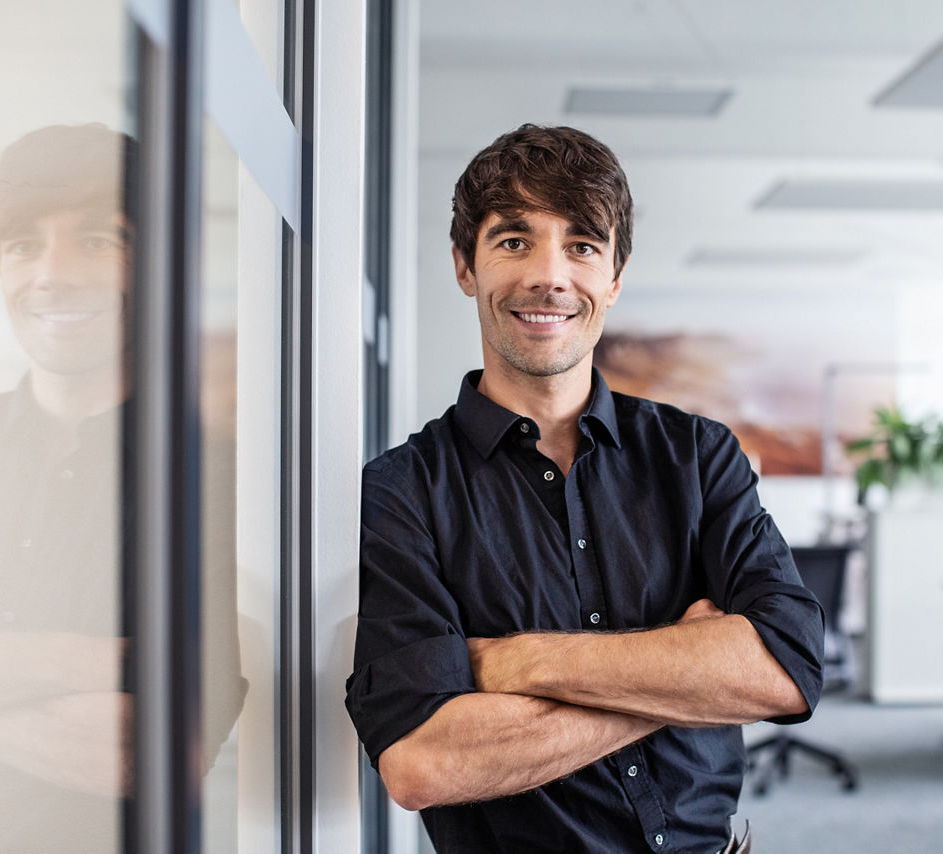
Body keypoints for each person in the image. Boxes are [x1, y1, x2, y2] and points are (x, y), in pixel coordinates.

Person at [346, 124, 825, 852]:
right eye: (513, 241)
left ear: (614, 275)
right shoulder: (402, 492)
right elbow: (424, 762)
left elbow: (788, 666)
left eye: (581, 245)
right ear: (464, 267)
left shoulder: (698, 457)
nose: (549, 276)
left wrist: (514, 664)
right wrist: (686, 674)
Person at [0, 123, 245, 852]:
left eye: (96, 239)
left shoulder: (220, 487)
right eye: (24, 245)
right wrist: (71, 663)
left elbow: (141, 751)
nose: (52, 274)